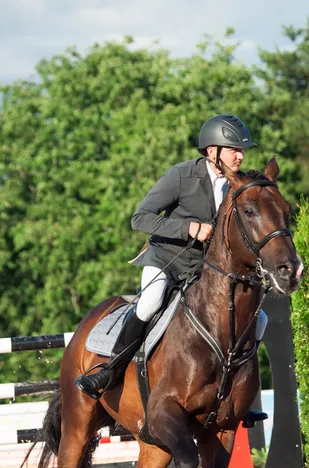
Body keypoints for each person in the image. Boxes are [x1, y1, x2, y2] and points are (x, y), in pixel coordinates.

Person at [76, 114, 268, 426]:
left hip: (207, 274)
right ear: (211, 152)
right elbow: (140, 218)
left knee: (258, 319)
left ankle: (240, 398)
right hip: (167, 260)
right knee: (150, 302)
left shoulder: (240, 185)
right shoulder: (180, 176)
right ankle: (109, 370)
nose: (241, 155)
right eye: (234, 149)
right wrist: (189, 227)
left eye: (242, 150)